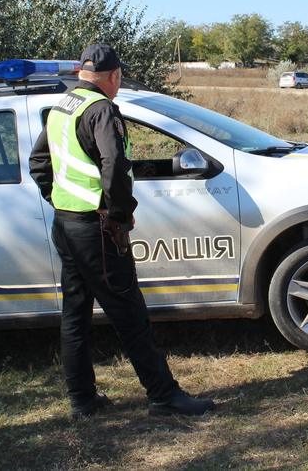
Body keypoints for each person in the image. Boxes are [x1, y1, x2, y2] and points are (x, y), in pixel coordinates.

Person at [29, 44, 216, 419]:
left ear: (81, 74)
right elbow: (113, 164)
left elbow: (38, 162)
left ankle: (82, 399)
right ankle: (163, 395)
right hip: (97, 229)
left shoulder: (63, 106)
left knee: (75, 315)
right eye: (119, 78)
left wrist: (59, 199)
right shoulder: (101, 110)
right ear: (113, 76)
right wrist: (118, 215)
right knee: (130, 315)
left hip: (67, 224)